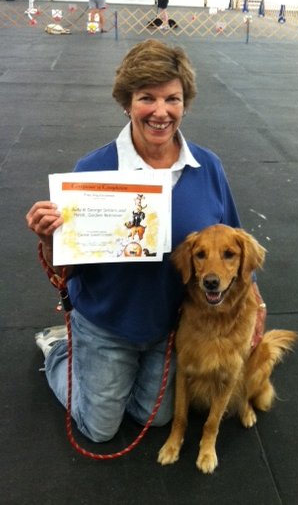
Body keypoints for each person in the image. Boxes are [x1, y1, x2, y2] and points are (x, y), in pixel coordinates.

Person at [26, 39, 266, 443]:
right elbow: (63, 267)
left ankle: (115, 372)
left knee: (152, 417)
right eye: (146, 98)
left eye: (172, 98)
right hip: (107, 322)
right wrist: (48, 239)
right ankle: (59, 351)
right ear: (127, 103)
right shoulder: (94, 169)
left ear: (184, 103)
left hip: (170, 324)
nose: (160, 111)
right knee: (100, 428)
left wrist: (256, 305)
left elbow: (235, 247)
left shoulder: (208, 167)